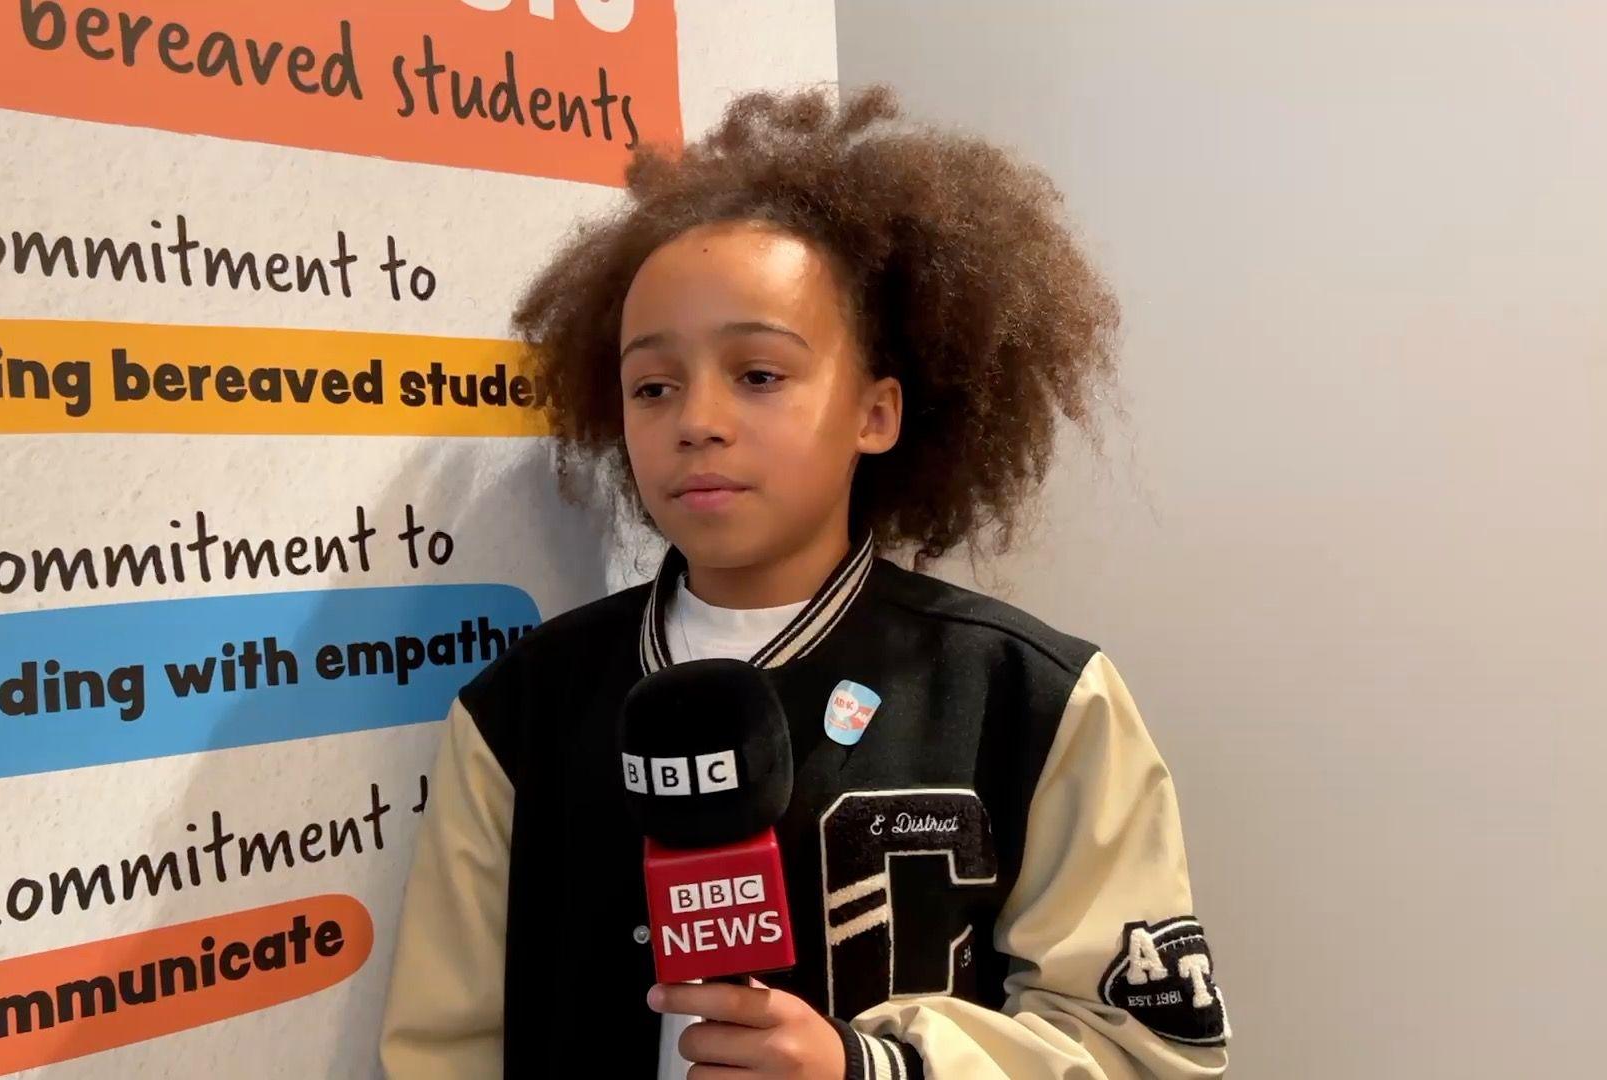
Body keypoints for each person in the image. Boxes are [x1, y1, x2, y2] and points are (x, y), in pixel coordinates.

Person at [379, 84, 1230, 1079]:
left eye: (759, 374)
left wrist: (870, 1066)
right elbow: (444, 1047)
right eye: (654, 385)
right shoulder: (524, 706)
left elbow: (1147, 1050)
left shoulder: (1032, 698)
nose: (697, 418)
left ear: (876, 413)